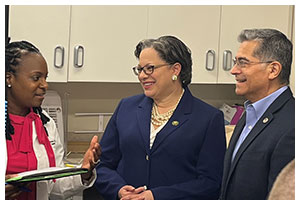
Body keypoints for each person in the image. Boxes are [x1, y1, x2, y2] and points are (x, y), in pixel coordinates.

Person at [94, 35, 226, 199]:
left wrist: (156, 196)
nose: (142, 76)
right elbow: (103, 165)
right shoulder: (126, 108)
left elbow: (211, 183)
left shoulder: (208, 118)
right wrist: (119, 189)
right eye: (140, 69)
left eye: (149, 68)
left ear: (175, 70)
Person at [5, 40, 101, 200]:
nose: (44, 85)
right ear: (9, 79)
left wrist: (84, 172)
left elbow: (54, 186)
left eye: (45, 77)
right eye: (36, 78)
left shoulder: (45, 123)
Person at [220, 29, 295, 200]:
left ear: (273, 70)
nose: (233, 70)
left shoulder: (292, 125)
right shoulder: (251, 113)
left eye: (243, 63)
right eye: (235, 62)